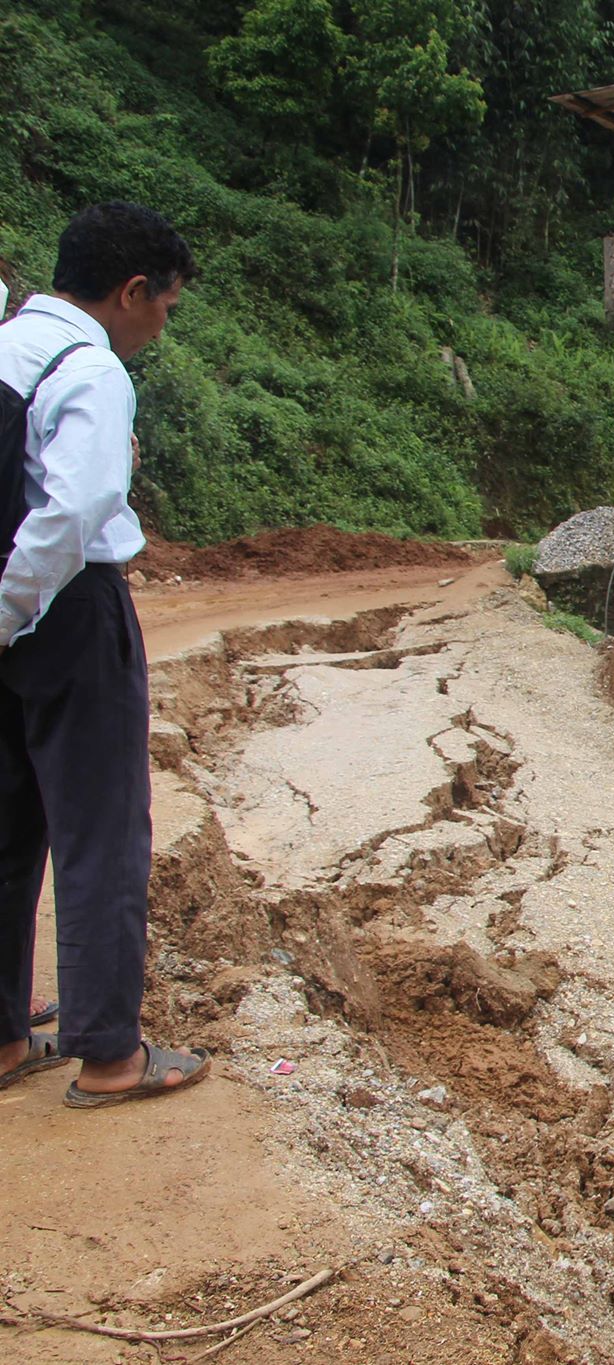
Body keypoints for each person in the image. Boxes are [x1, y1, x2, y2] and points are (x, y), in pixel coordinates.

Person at [1, 202, 211, 1108]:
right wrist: (10, 607)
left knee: (7, 830)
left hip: (11, 619)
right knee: (101, 828)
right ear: (131, 292)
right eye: (164, 307)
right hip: (64, 611)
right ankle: (110, 1056)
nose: (161, 327)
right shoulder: (92, 368)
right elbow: (74, 510)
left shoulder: (10, 344)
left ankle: (8, 1035)